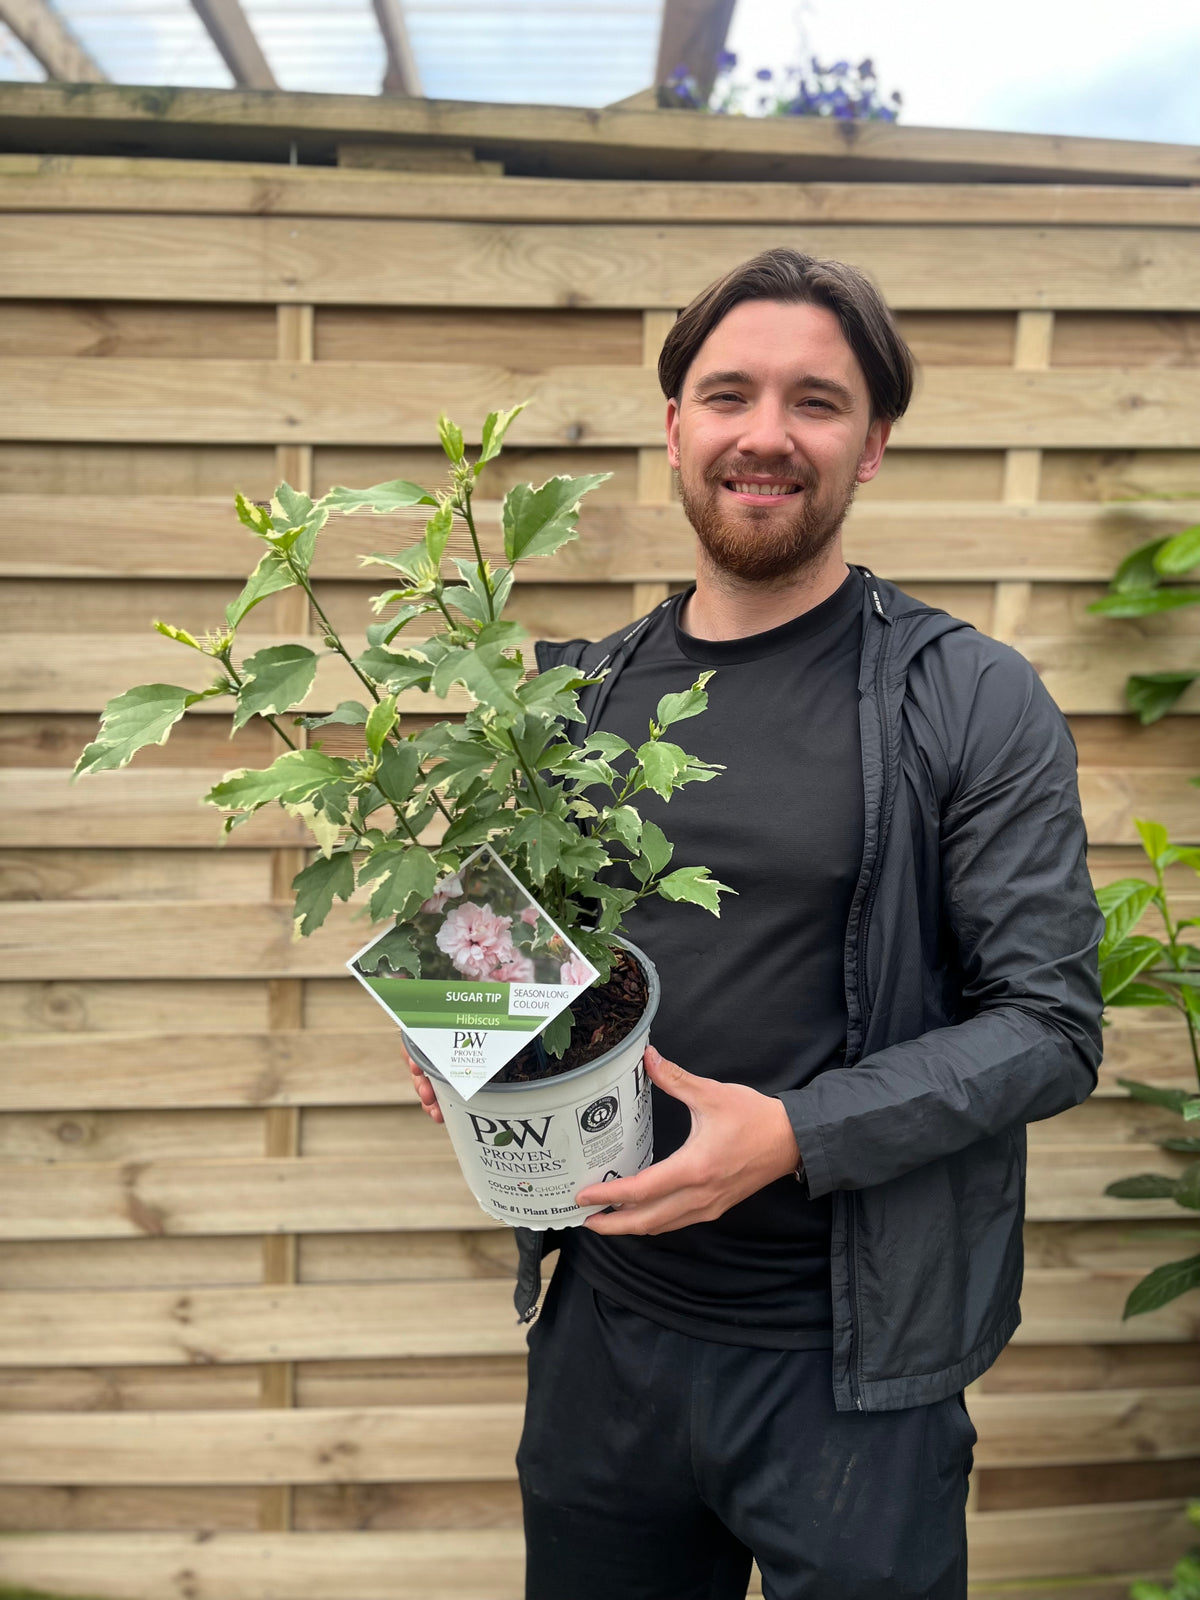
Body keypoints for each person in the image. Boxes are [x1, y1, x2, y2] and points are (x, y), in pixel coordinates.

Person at [407, 248, 1104, 1600]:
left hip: (850, 1379)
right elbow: (493, 947)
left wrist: (796, 1133)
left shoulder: (971, 698)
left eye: (817, 402)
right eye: (728, 394)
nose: (766, 434)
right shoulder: (572, 695)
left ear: (873, 444)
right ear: (676, 428)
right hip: (602, 1333)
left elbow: (1052, 1029)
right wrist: (461, 1033)